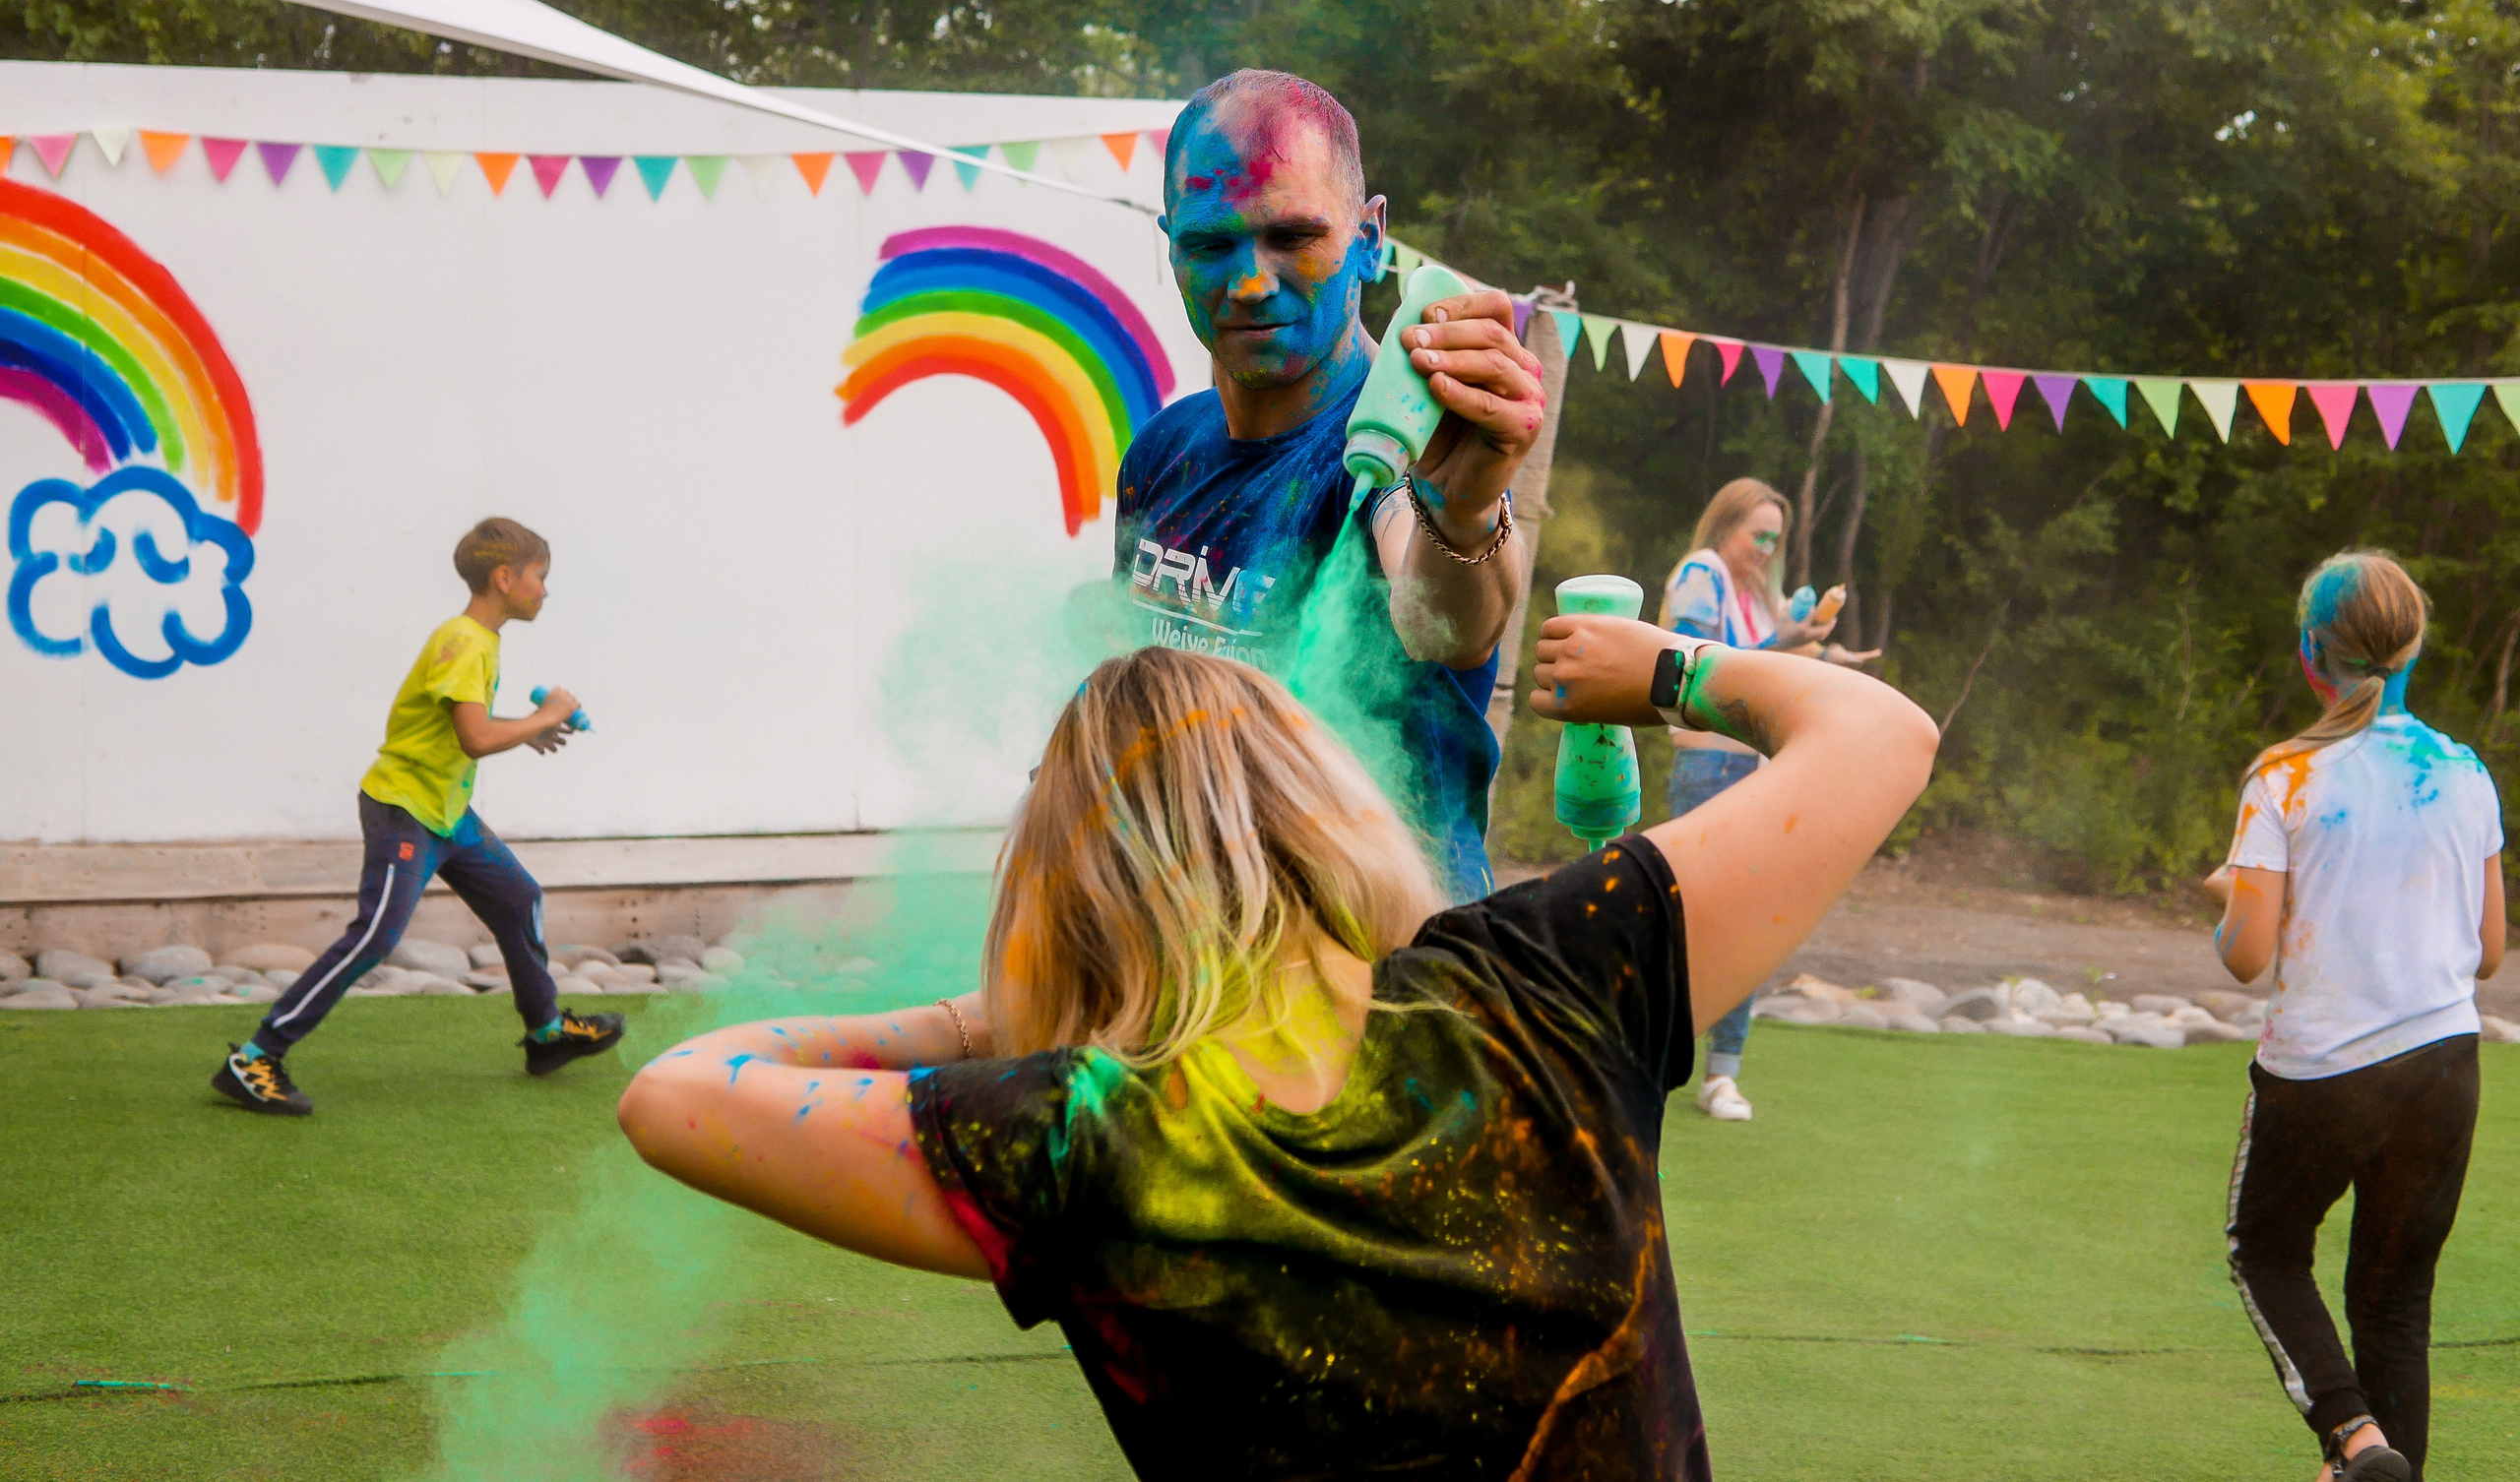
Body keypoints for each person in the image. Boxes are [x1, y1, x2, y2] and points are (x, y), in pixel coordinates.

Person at [617, 632, 1937, 1481]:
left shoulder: (1081, 1136)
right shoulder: (1546, 974)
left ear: (1075, 894)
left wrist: (980, 1020)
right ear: (1322, 808)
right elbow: (1879, 732)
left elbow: (676, 1094)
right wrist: (1660, 669)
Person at [1113, 68, 1544, 899]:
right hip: (1193, 935)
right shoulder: (1164, 450)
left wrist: (1462, 509)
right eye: (1210, 244)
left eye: (1293, 236)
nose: (1249, 281)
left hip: (1385, 946)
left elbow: (1449, 625)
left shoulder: (1401, 454)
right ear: (1170, 245)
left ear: (1370, 239)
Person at [2205, 550, 2504, 1482]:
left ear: (2310, 652)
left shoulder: (2284, 776)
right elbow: (2491, 949)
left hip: (2325, 1069)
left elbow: (2247, 953)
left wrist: (2227, 894)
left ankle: (2355, 1439)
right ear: (2414, 649)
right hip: (2446, 1063)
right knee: (2395, 1299)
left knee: (2265, 1251)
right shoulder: (2466, 772)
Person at [212, 518, 624, 1116]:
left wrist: (526, 731)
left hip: (447, 811)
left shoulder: (478, 640)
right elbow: (476, 738)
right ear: (504, 578)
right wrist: (547, 714)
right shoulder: (465, 641)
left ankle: (546, 1034)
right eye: (540, 576)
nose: (545, 589)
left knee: (519, 898)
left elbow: (464, 729)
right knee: (375, 936)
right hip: (405, 810)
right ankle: (254, 1058)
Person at [1658, 477, 1875, 1121]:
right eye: (1758, 535)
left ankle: (1722, 1073)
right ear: (1725, 523)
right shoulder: (1701, 573)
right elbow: (1697, 663)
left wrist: (1825, 651)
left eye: (1775, 539)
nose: (1766, 549)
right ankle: (1650, 1058)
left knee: (1751, 921)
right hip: (1709, 763)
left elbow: (1780, 653)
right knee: (1693, 920)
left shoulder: (1756, 592)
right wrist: (1787, 641)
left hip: (1758, 766)